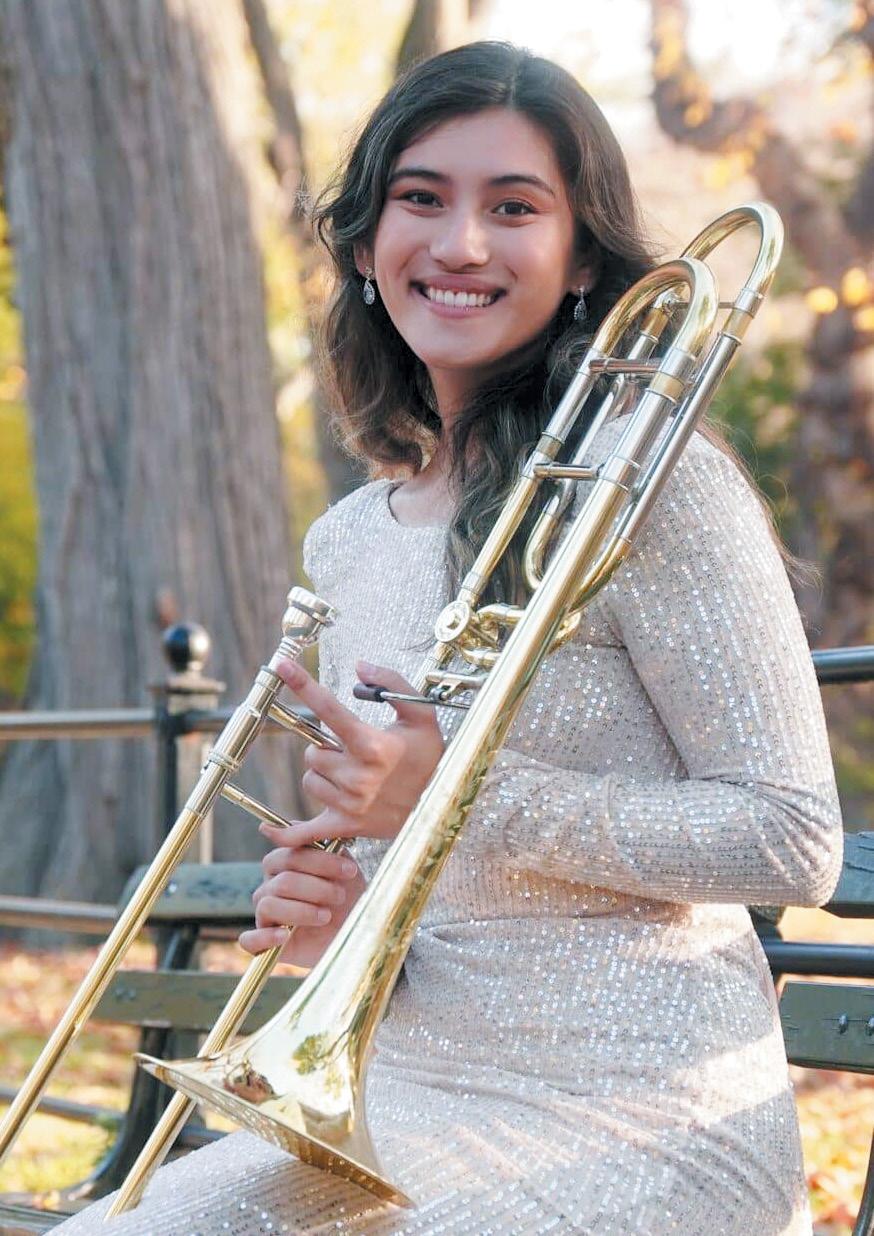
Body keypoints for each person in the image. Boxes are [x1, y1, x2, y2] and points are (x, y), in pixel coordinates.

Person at [54, 40, 842, 1236]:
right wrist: (342, 922)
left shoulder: (653, 488)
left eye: (513, 208)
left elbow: (791, 840)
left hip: (650, 1115)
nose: (462, 243)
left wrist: (457, 794)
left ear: (582, 260)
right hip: (400, 1100)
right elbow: (426, 875)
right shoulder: (348, 541)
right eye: (421, 198)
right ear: (365, 246)